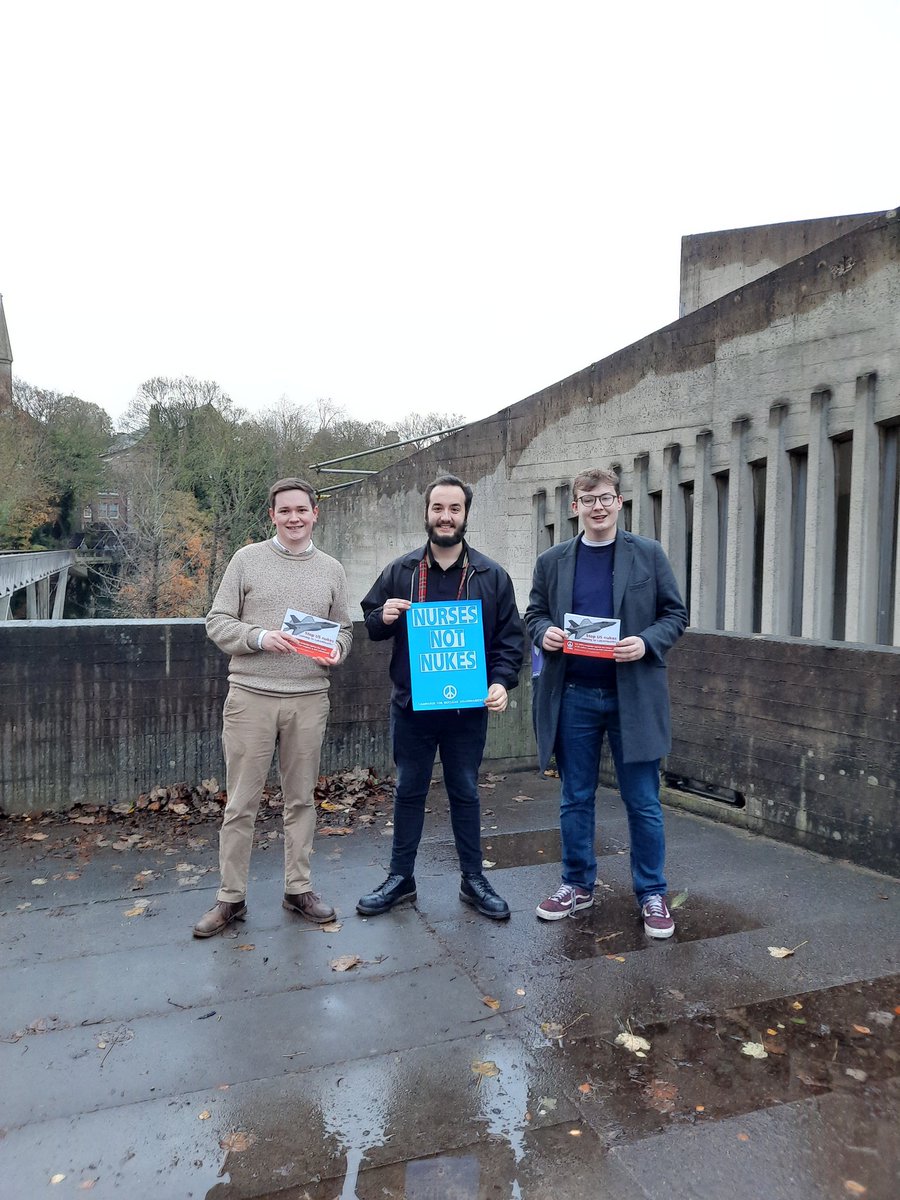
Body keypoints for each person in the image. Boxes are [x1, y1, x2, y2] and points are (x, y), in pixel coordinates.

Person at [525, 467, 687, 937]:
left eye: (606, 498)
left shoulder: (648, 555)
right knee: (575, 797)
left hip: (632, 695)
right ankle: (576, 884)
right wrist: (544, 633)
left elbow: (675, 614)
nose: (598, 506)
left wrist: (647, 642)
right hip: (573, 695)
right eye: (588, 499)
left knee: (643, 800)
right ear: (575, 506)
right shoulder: (552, 561)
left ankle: (652, 893)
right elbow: (534, 613)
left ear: (620, 503)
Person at [356, 473, 524, 920]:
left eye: (454, 509)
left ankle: (473, 878)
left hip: (467, 709)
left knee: (465, 791)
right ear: (426, 514)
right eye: (437, 508)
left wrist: (501, 683)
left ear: (466, 514)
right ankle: (400, 878)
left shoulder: (491, 575)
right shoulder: (402, 571)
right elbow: (371, 623)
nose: (445, 517)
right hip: (413, 707)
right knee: (409, 789)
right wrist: (384, 615)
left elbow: (512, 642)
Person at [193, 477, 352, 938]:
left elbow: (343, 629)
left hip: (308, 698)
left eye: (302, 509)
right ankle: (230, 898)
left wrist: (338, 649)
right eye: (285, 511)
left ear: (315, 513)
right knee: (241, 803)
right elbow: (217, 621)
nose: (294, 518)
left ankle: (298, 889)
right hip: (251, 696)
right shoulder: (247, 560)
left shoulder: (332, 569)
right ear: (273, 515)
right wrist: (259, 637)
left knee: (301, 800)